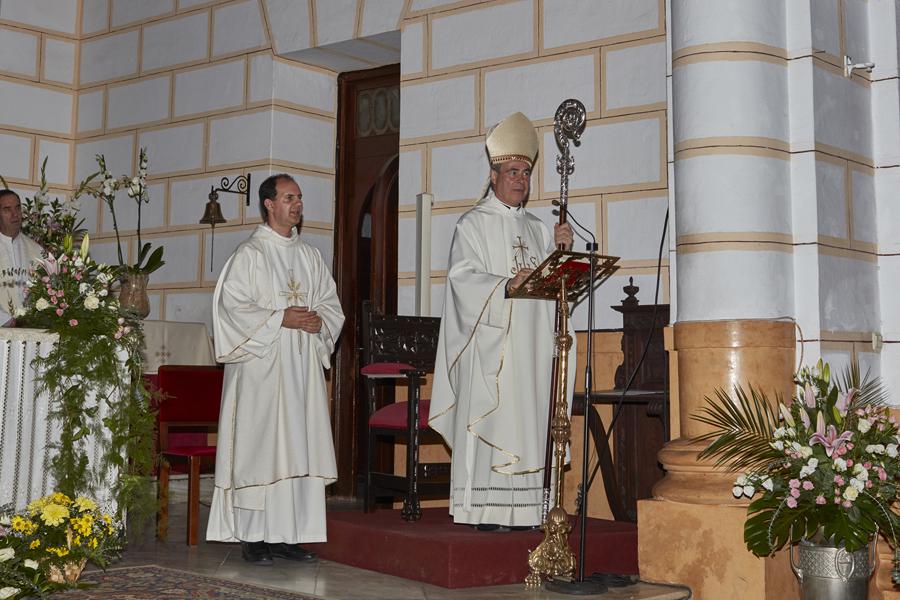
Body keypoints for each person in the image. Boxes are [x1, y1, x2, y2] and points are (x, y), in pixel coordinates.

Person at [429, 112, 575, 530]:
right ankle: (489, 511)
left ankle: (531, 510)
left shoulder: (538, 228)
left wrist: (561, 253)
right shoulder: (472, 224)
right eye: (513, 171)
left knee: (530, 420)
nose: (521, 180)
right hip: (493, 345)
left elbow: (553, 284)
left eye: (526, 172)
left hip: (532, 346)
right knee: (498, 417)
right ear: (494, 175)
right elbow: (462, 280)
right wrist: (505, 284)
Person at [206, 174, 345, 565]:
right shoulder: (250, 255)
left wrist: (321, 323)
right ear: (269, 204)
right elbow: (229, 309)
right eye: (289, 198)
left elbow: (331, 305)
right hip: (260, 371)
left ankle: (288, 534)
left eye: (299, 198)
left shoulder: (310, 257)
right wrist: (279, 318)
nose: (297, 204)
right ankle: (253, 536)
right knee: (261, 449)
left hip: (300, 373)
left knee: (295, 448)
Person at [0, 189, 43, 326]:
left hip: (29, 329)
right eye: (7, 209)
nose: (15, 214)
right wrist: (5, 320)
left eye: (18, 208)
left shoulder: (36, 250)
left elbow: (46, 289)